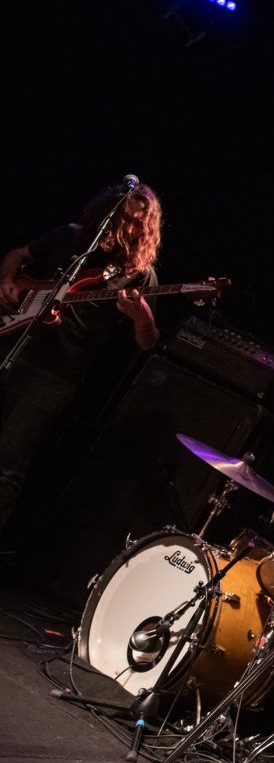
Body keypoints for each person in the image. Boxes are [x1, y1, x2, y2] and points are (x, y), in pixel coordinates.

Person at [0, 181, 162, 534]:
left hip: (53, 376)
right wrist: (7, 282)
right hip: (11, 344)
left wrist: (143, 318)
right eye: (122, 217)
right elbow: (17, 255)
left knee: (6, 466)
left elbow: (147, 342)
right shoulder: (72, 238)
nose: (128, 228)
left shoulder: (138, 275)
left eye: (138, 223)